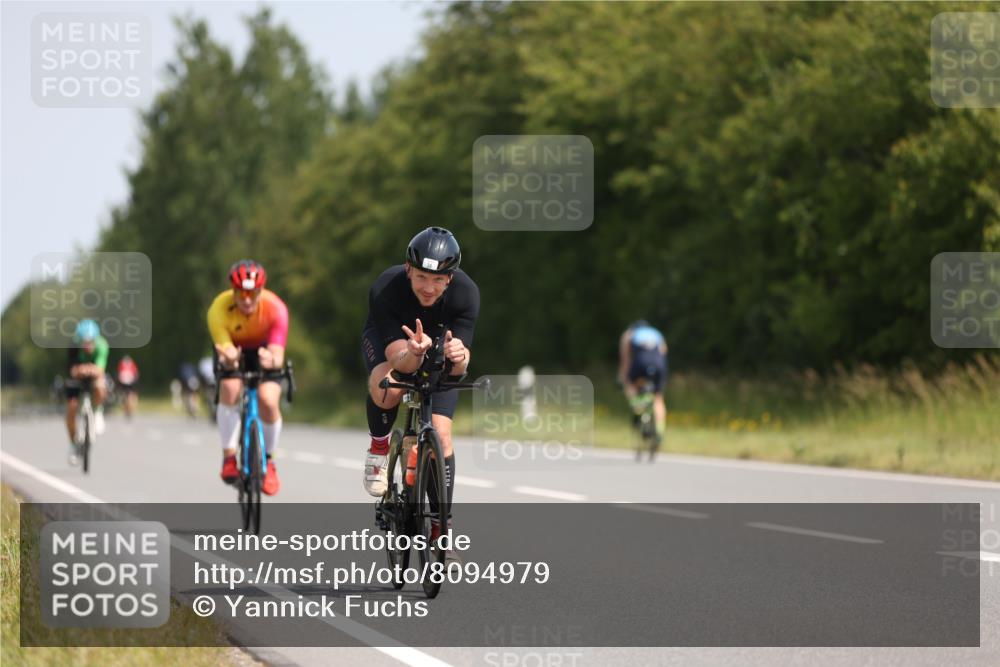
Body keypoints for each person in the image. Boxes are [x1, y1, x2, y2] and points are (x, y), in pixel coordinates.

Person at [361, 227, 478, 548]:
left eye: (438, 280)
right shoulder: (386, 288)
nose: (429, 288)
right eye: (422, 277)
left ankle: (443, 527)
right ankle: (380, 446)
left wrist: (458, 355)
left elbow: (461, 365)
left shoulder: (467, 293)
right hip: (396, 346)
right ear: (409, 269)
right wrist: (414, 351)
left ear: (450, 279)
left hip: (438, 348)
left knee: (441, 435)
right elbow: (400, 361)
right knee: (390, 387)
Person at [207, 259, 288, 495]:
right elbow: (226, 349)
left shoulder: (276, 309)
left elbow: (278, 355)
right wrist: (231, 358)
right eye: (241, 293)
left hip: (265, 352)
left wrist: (271, 360)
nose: (247, 299)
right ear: (233, 291)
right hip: (233, 351)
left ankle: (269, 462)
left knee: (269, 400)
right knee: (231, 388)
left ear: (260, 291)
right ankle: (229, 457)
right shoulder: (218, 309)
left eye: (252, 293)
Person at [618, 319, 669, 443]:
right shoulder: (656, 333)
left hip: (641, 361)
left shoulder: (629, 334)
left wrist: (622, 378)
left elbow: (626, 360)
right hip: (659, 364)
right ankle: (659, 432)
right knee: (657, 397)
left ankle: (638, 410)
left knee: (630, 384)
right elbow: (664, 352)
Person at [65, 319, 109, 462]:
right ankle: (73, 445)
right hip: (77, 377)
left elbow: (100, 370)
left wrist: (91, 369)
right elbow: (72, 369)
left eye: (91, 342)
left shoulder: (102, 345)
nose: (88, 345)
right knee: (71, 407)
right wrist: (79, 370)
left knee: (100, 386)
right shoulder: (73, 346)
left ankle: (97, 412)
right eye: (85, 342)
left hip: (94, 376)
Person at [116, 354, 140, 418]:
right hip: (126, 383)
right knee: (127, 395)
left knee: (129, 395)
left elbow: (135, 373)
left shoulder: (128, 365)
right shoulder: (129, 364)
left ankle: (129, 408)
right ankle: (127, 408)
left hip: (129, 383)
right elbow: (136, 373)